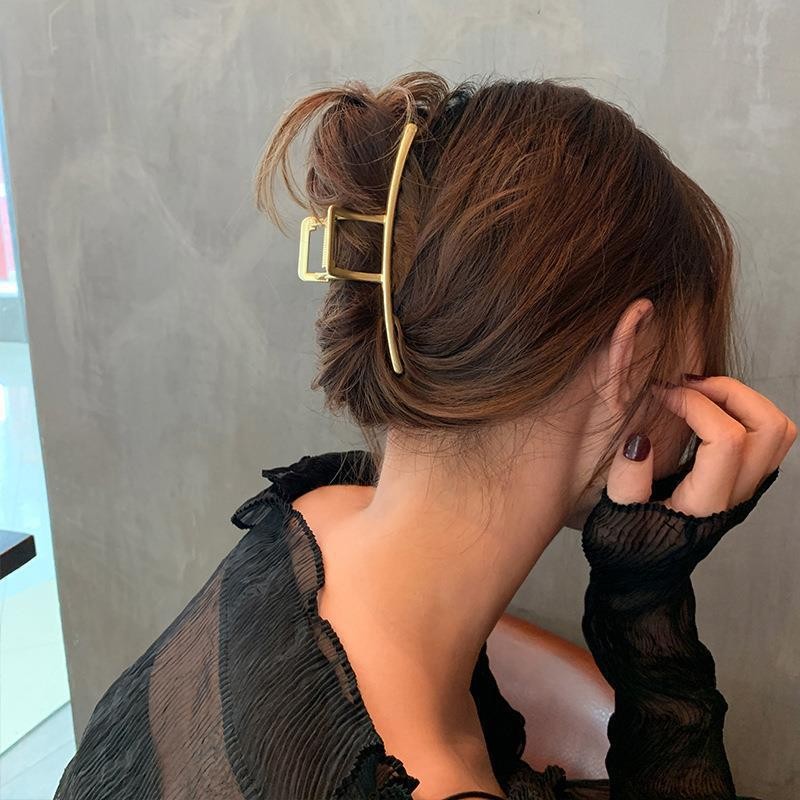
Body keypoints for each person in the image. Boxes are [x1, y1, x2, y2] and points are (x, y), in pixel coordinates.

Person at [54, 72, 796, 800]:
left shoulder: (318, 516)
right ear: (630, 356)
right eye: (695, 362)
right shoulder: (428, 780)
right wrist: (648, 618)